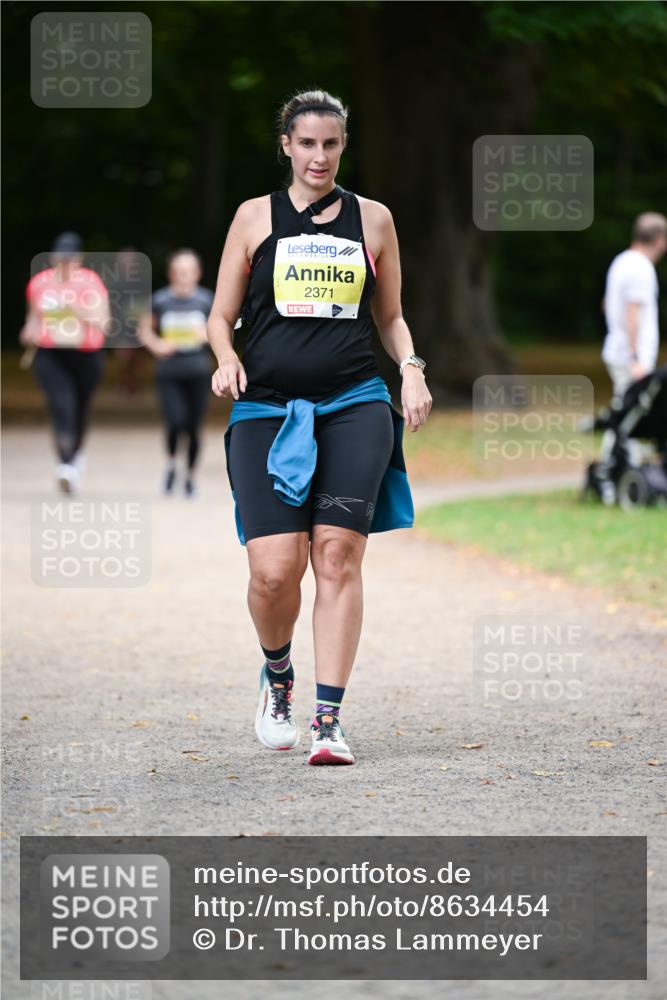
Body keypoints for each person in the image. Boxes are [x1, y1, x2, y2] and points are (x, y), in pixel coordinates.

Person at [207, 89, 432, 766]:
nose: (319, 155)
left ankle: (328, 720)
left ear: (343, 145)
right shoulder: (254, 217)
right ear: (286, 145)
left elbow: (390, 316)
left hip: (353, 403)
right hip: (267, 407)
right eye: (306, 142)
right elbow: (220, 316)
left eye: (330, 143)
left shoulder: (374, 219)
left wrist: (411, 368)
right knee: (275, 571)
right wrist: (224, 357)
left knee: (336, 554)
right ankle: (277, 675)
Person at [19, 232, 110, 494]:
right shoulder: (39, 283)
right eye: (61, 258)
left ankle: (75, 456)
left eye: (70, 259)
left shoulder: (92, 283)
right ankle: (65, 464)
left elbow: (104, 323)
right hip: (51, 354)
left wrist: (76, 310)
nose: (65, 264)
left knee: (80, 410)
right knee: (63, 407)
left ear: (79, 259)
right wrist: (28, 332)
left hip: (86, 354)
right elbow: (33, 319)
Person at [138, 249, 215, 497]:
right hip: (168, 372)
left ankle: (190, 477)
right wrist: (157, 345)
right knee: (175, 422)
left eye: (188, 271)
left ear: (197, 274)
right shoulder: (160, 300)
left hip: (198, 371)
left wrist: (206, 335)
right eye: (179, 272)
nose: (184, 276)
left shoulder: (206, 300)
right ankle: (172, 464)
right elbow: (144, 331)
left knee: (193, 426)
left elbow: (222, 330)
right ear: (171, 273)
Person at [602, 212, 666, 404]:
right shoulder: (641, 267)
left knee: (624, 408)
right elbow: (632, 311)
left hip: (618, 350)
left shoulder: (621, 261)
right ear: (659, 239)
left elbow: (606, 304)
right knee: (632, 411)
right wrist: (635, 358)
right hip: (631, 358)